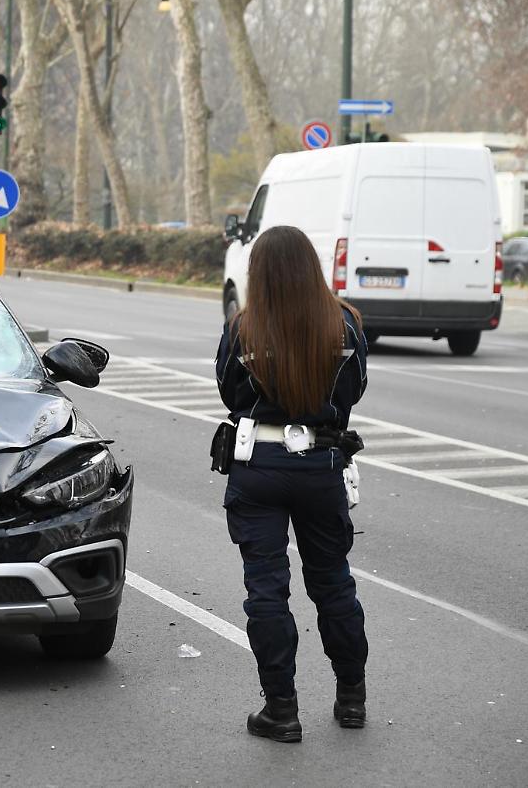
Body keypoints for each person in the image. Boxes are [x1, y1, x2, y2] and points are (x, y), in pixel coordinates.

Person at [214, 225, 368, 743]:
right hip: (321, 465)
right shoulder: (344, 325)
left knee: (266, 590)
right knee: (333, 583)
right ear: (312, 267)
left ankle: (281, 710)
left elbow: (228, 393)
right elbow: (355, 391)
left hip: (257, 466)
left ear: (259, 273)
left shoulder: (243, 329)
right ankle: (352, 699)